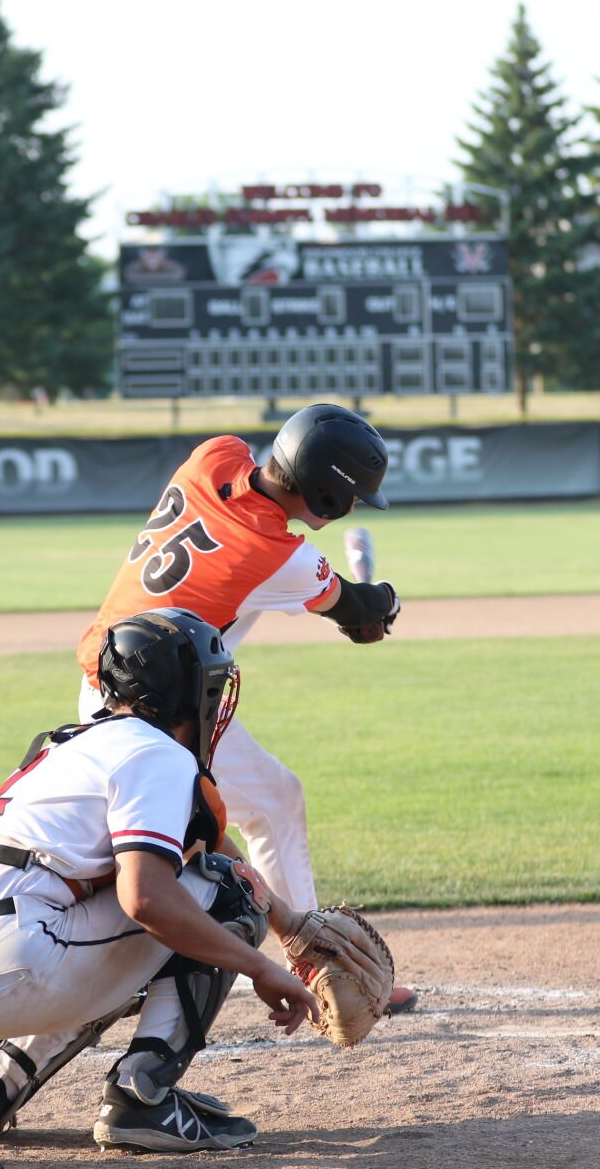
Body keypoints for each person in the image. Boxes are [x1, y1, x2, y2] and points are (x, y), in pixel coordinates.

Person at [72, 403, 417, 1012]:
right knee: (194, 842)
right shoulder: (279, 556)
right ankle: (321, 964)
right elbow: (358, 617)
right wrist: (383, 605)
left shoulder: (215, 454)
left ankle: (313, 954)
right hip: (161, 714)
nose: (354, 507)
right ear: (328, 495)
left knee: (264, 804)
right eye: (352, 495)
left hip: (115, 678)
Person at [0, 608, 318, 1152]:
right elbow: (147, 898)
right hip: (21, 959)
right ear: (187, 692)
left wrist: (292, 925)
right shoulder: (155, 752)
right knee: (229, 895)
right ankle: (142, 1100)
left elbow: (192, 846)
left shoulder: (74, 744)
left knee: (160, 905)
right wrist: (259, 965)